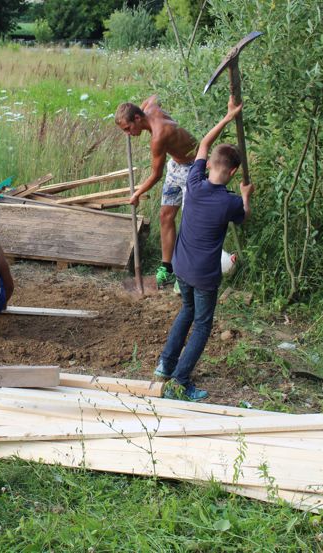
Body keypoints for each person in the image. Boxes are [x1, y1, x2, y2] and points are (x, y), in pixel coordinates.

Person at [153, 96, 254, 401]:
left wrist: (226, 117)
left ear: (209, 165)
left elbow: (203, 145)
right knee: (201, 324)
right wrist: (247, 196)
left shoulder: (194, 182)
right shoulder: (231, 202)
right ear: (234, 173)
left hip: (181, 268)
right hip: (205, 276)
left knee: (186, 309)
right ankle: (180, 382)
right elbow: (245, 217)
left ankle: (165, 365)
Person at [115, 96, 198, 289]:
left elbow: (155, 175)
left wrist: (136, 194)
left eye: (128, 129)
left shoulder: (159, 136)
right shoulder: (148, 108)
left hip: (193, 169)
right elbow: (154, 97)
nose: (128, 134)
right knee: (165, 216)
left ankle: (185, 276)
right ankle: (166, 269)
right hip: (176, 165)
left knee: (189, 223)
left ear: (137, 119)